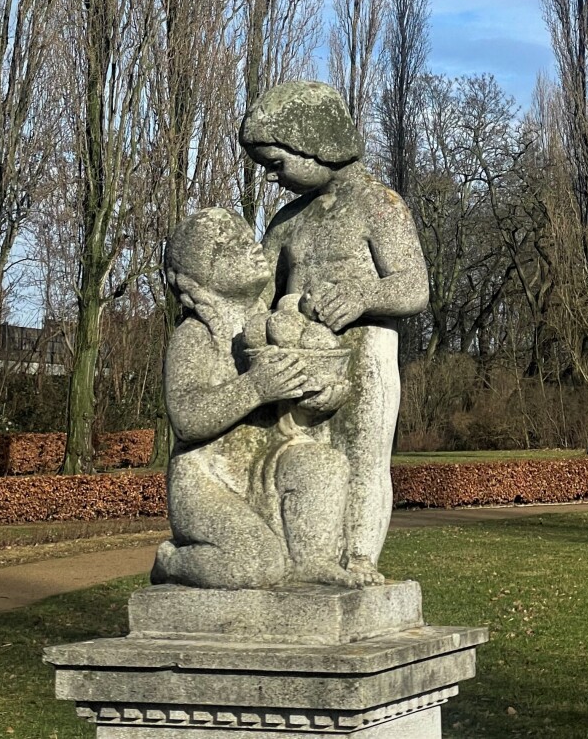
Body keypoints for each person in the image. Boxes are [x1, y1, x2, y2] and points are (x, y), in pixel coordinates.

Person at [241, 81, 429, 583]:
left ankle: (360, 557)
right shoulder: (285, 223)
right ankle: (307, 560)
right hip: (297, 357)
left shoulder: (378, 206)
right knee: (301, 457)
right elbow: (257, 292)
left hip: (364, 352)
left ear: (316, 144)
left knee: (362, 457)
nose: (275, 177)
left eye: (278, 163)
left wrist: (364, 297)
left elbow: (414, 286)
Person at [151, 206, 360, 589]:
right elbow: (186, 418)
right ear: (201, 276)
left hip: (262, 461)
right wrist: (254, 388)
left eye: (248, 238)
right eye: (230, 245)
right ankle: (172, 562)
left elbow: (284, 415)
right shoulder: (195, 335)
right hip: (207, 478)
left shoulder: (271, 325)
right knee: (254, 564)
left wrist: (316, 399)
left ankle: (313, 562)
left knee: (324, 464)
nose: (250, 247)